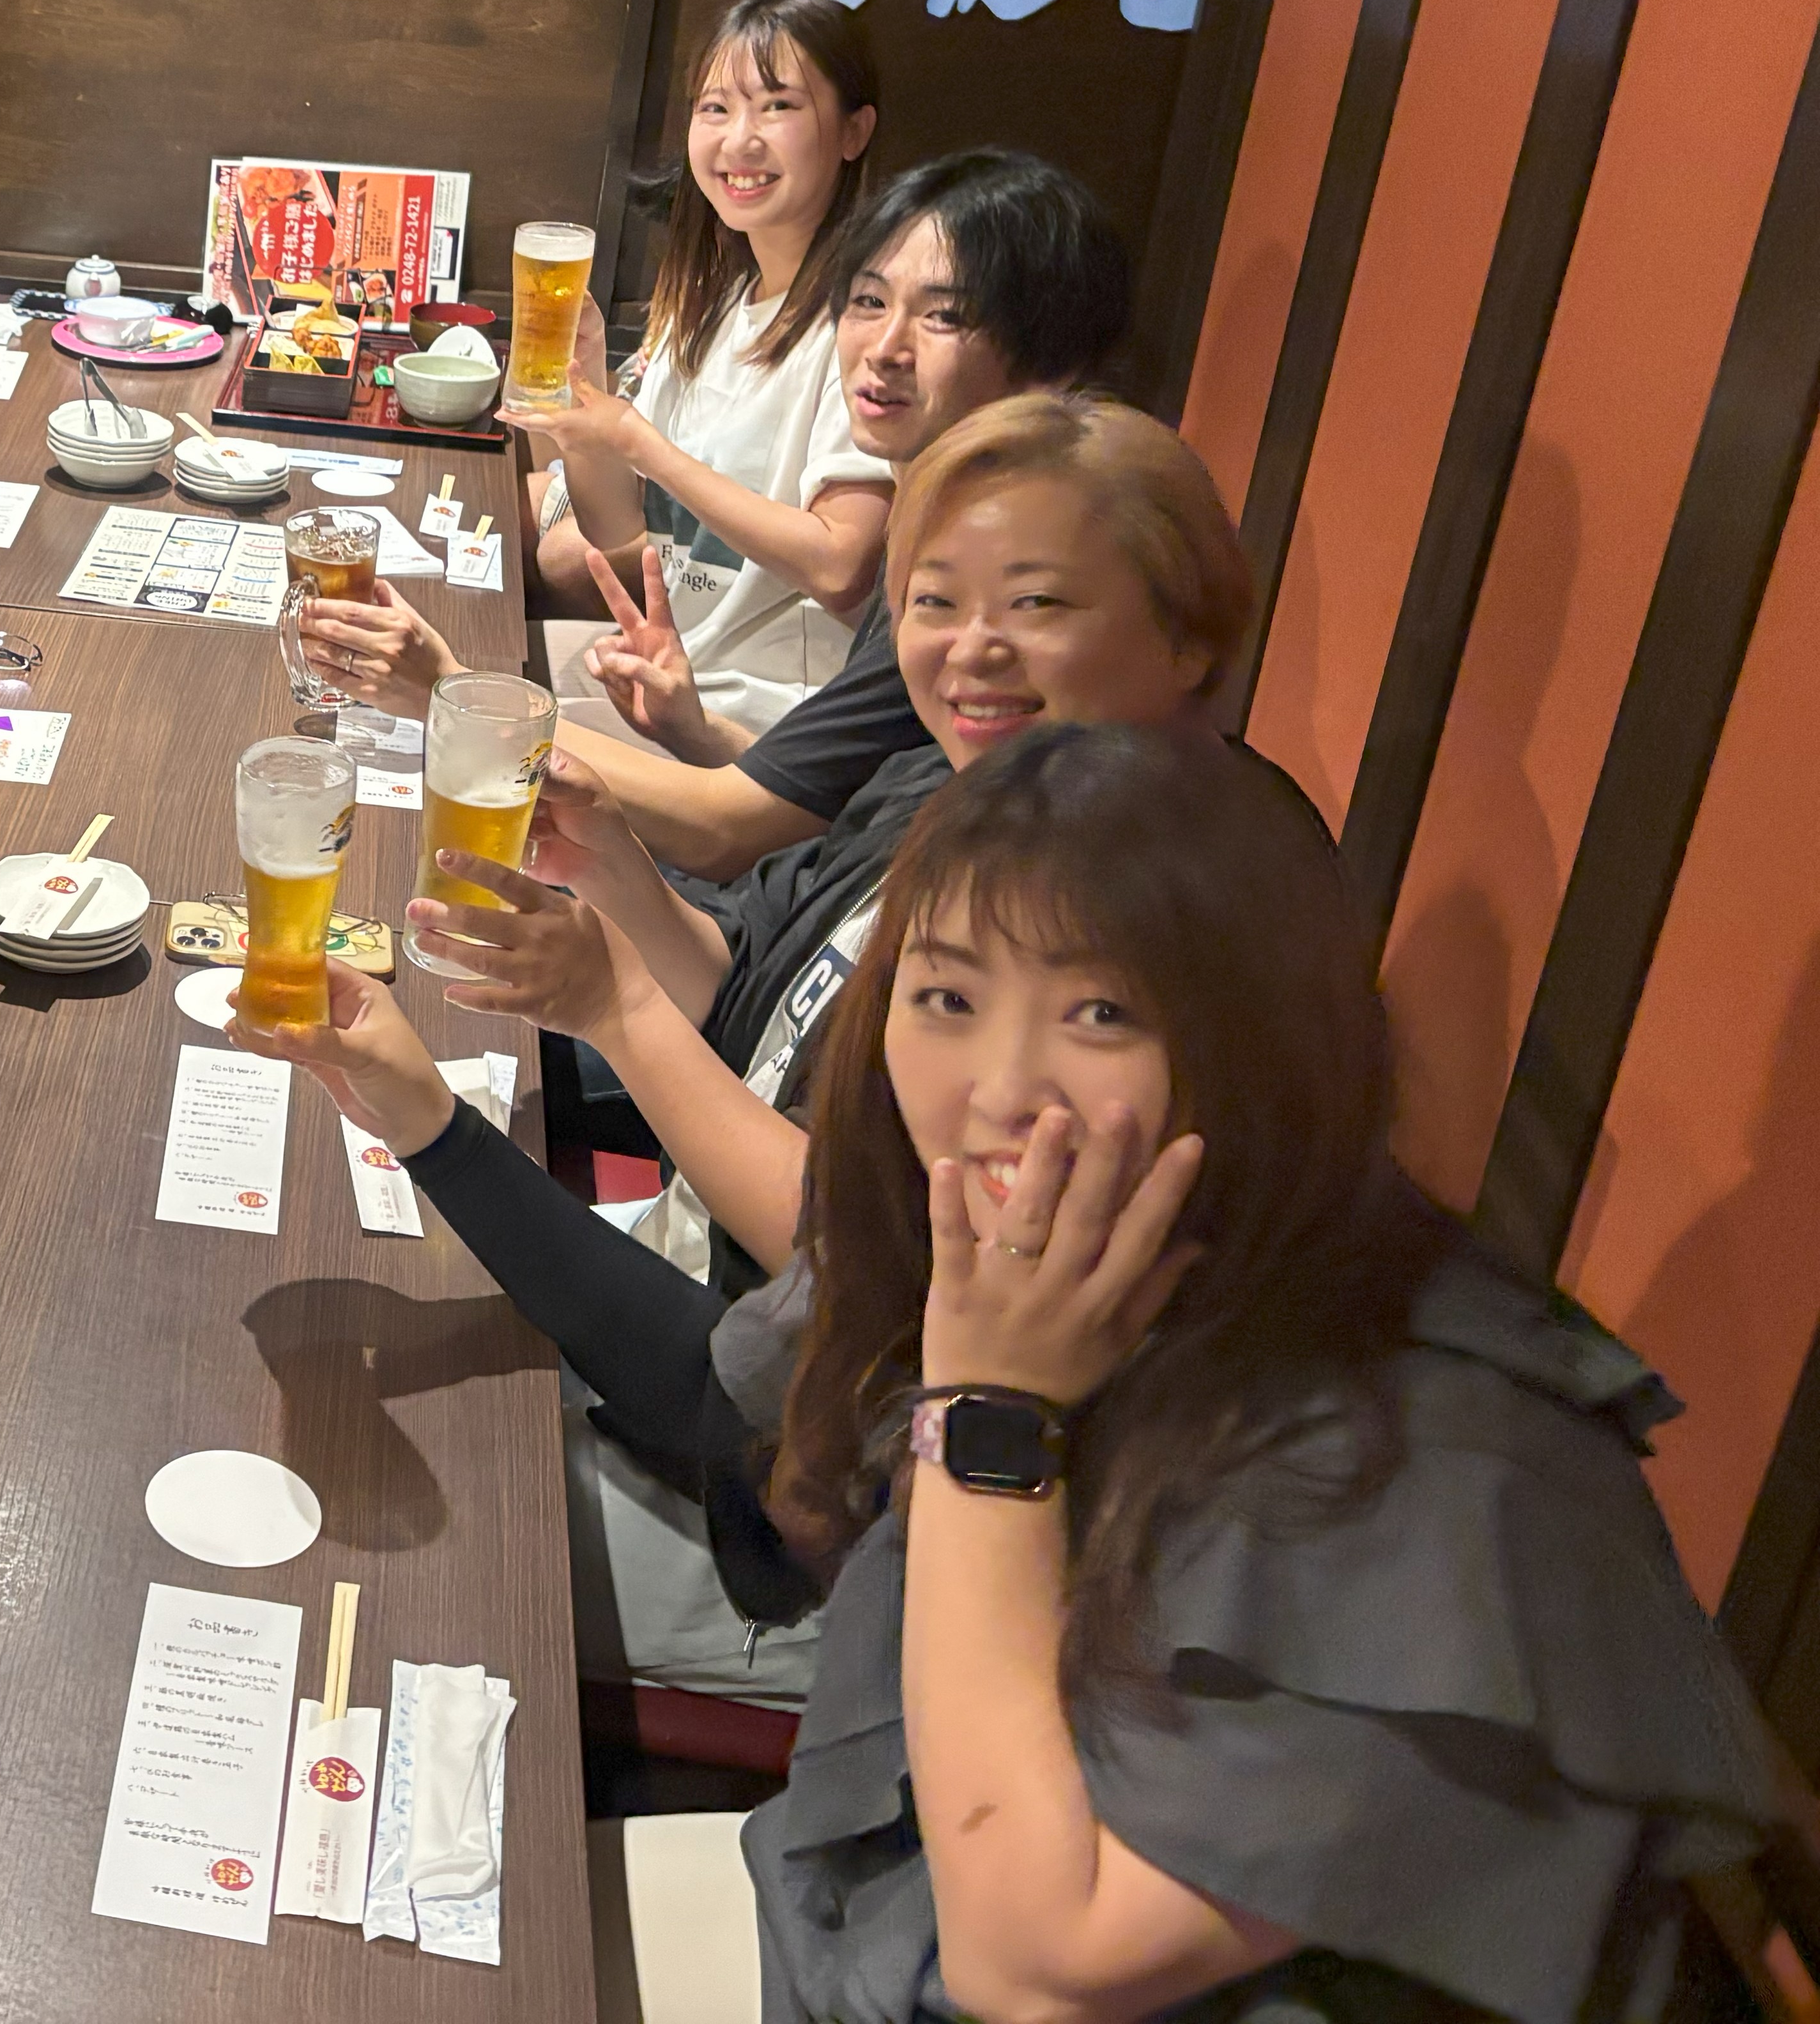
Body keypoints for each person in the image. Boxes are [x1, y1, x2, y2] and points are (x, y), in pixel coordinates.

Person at [233, 393, 1254, 1702]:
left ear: (1190, 635)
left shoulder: (1141, 949)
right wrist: (612, 871)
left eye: (1038, 604)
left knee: (328, 1506)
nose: (973, 650)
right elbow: (753, 1001)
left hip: (820, 1535)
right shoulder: (956, 790)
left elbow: (807, 1328)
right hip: (700, 1312)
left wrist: (508, 1081)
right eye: (934, 601)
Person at [752, 726, 1775, 2020]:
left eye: (1102, 1012)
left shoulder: (1437, 1470)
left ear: (1260, 1047)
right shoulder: (1077, 1289)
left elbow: (1036, 1968)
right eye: (947, 998)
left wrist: (986, 1416)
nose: (998, 1091)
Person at [296, 148, 1131, 886]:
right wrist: (694, 730)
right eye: (870, 302)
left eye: (944, 315)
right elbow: (808, 807)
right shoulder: (934, 530)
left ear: (1049, 363)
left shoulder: (970, 589)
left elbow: (729, 832)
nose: (886, 347)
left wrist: (451, 696)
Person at [523, 0, 890, 734]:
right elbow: (617, 527)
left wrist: (640, 443)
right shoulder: (718, 306)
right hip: (672, 680)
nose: (739, 140)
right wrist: (583, 399)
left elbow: (839, 566)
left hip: (768, 721)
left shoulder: (865, 326)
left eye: (778, 107)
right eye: (716, 109)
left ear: (854, 131)